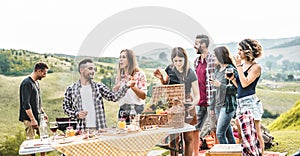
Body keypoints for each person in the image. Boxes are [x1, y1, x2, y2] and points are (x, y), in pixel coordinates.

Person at [62, 59, 135, 130]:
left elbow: (113, 97)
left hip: (100, 129)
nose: (93, 71)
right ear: (81, 70)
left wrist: (126, 86)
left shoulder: (99, 86)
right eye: (90, 69)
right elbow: (66, 108)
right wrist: (76, 114)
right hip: (82, 130)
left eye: (94, 69)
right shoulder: (71, 89)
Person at [154, 47, 200, 156]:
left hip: (187, 104)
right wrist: (161, 79)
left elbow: (197, 95)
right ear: (172, 60)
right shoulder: (169, 69)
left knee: (188, 138)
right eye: (175, 61)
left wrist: (192, 104)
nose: (178, 63)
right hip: (173, 105)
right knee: (173, 139)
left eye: (180, 60)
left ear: (185, 59)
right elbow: (167, 85)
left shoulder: (190, 72)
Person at [227, 38, 264, 155]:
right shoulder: (242, 65)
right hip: (240, 102)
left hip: (251, 103)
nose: (238, 52)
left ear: (248, 51)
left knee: (256, 134)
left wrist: (237, 66)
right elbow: (240, 87)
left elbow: (245, 83)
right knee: (242, 134)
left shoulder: (256, 67)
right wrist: (232, 79)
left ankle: (260, 154)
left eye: (240, 50)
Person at [19, 62, 49, 156]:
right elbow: (26, 104)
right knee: (31, 143)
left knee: (43, 139)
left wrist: (43, 113)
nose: (45, 75)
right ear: (38, 71)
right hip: (29, 118)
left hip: (39, 117)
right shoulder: (26, 83)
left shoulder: (36, 83)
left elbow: (37, 102)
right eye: (44, 73)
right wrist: (32, 119)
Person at [209, 46, 237, 144]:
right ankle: (234, 153)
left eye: (215, 57)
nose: (213, 59)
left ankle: (226, 153)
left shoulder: (230, 69)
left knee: (220, 134)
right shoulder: (217, 70)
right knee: (228, 134)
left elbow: (236, 89)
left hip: (227, 106)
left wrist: (220, 85)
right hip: (218, 106)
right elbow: (214, 90)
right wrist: (212, 107)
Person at [193, 34, 217, 145]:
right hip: (200, 101)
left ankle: (219, 151)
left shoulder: (213, 60)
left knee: (214, 129)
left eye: (196, 44)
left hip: (212, 101)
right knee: (195, 128)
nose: (194, 46)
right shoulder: (196, 61)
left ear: (203, 44)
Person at [113, 49, 147, 124]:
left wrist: (132, 86)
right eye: (120, 57)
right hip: (123, 111)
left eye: (124, 57)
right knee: (123, 134)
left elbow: (143, 96)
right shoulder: (119, 76)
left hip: (137, 110)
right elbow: (116, 97)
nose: (121, 60)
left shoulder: (139, 74)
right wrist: (116, 89)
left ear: (130, 60)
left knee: (137, 134)